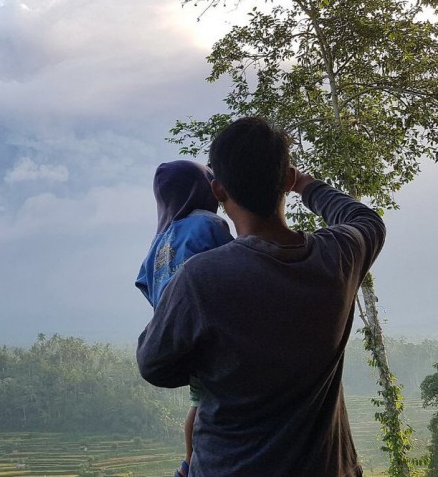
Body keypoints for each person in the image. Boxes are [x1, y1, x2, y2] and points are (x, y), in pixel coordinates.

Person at [136, 117, 385, 476]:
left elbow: (154, 365)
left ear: (219, 191)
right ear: (284, 179)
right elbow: (365, 219)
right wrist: (305, 184)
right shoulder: (338, 257)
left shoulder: (200, 278)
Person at [135, 160, 233, 477]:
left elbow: (145, 283)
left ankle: (188, 463)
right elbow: (236, 261)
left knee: (198, 401)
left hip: (177, 335)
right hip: (211, 330)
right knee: (214, 402)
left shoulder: (160, 239)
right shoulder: (208, 224)